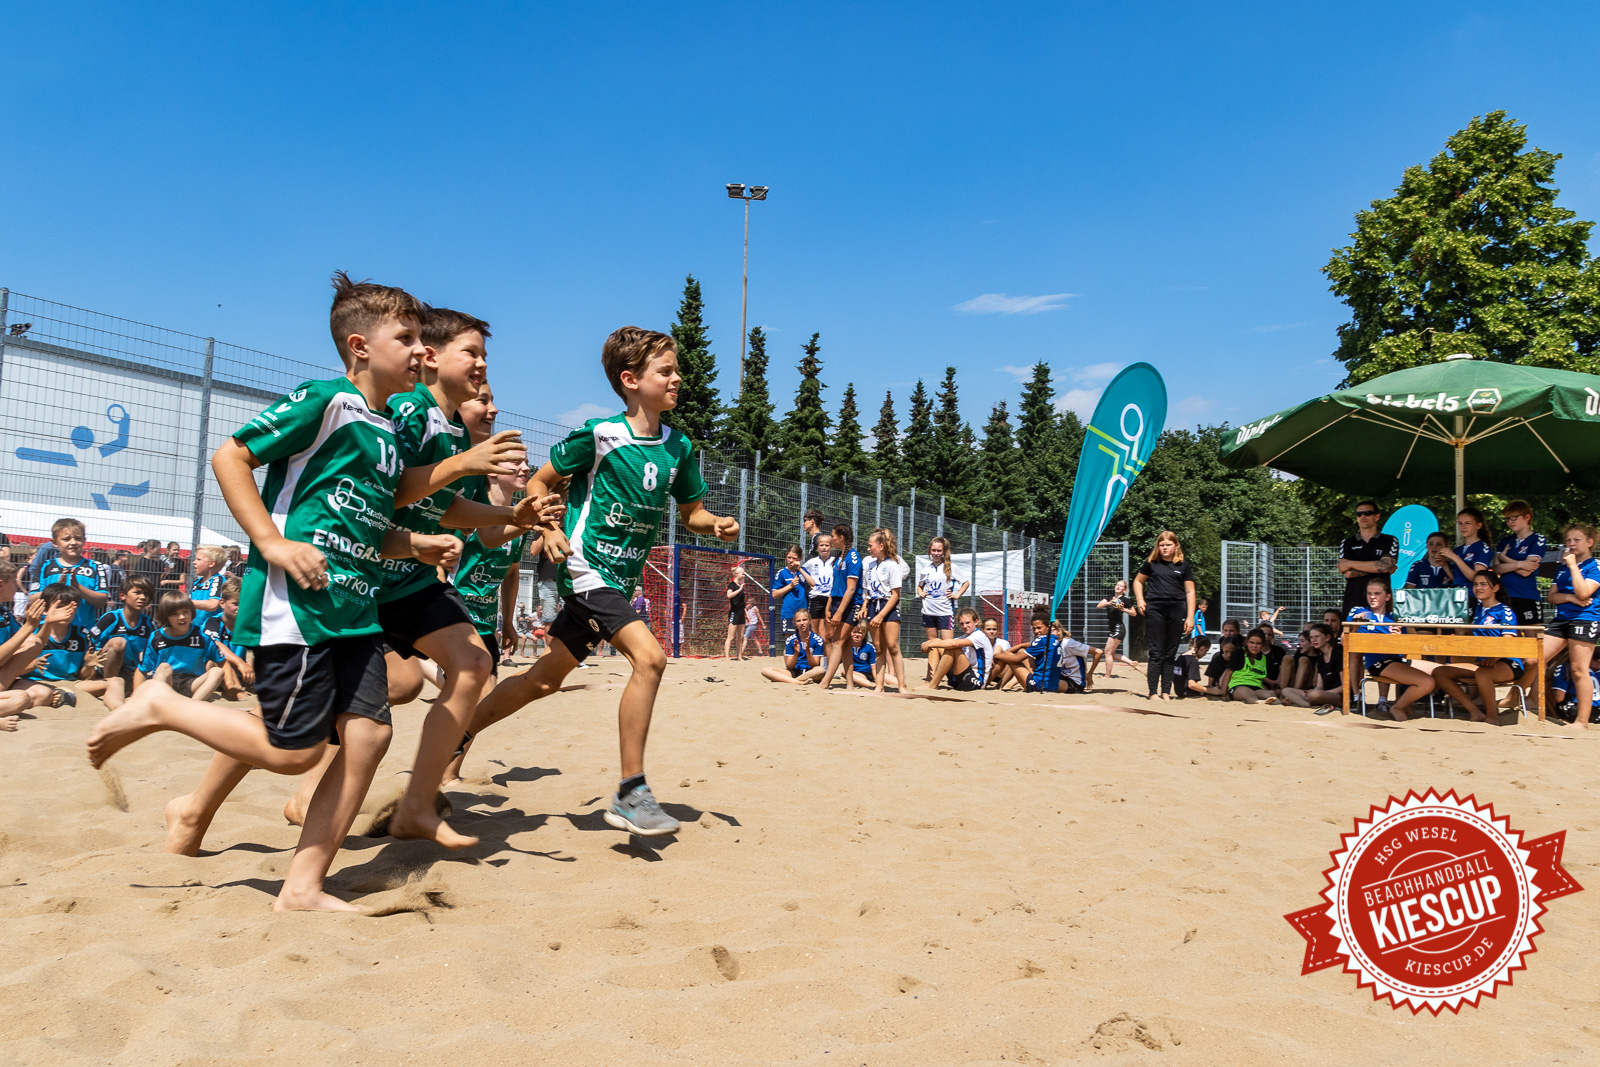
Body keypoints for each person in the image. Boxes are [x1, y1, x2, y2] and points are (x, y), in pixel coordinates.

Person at [88, 272, 470, 910]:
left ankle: (301, 888)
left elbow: (359, 528)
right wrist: (270, 542)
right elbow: (230, 457)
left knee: (371, 737)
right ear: (359, 346)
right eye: (405, 338)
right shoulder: (324, 401)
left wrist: (412, 545)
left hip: (354, 609)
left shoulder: (383, 433)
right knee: (293, 756)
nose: (419, 351)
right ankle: (163, 706)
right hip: (296, 606)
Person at [461, 325, 739, 837]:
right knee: (650, 659)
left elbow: (692, 513)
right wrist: (547, 528)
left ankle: (460, 732)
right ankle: (631, 790)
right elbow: (540, 481)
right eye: (667, 371)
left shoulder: (678, 446)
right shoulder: (600, 434)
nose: (678, 378)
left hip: (619, 579)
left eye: (677, 370)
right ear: (630, 380)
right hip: (586, 568)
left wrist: (715, 523)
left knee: (546, 678)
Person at [1431, 570, 1522, 723]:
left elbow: (1508, 642)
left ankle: (1492, 718)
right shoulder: (1478, 610)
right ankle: (1474, 712)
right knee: (1440, 672)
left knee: (1483, 674)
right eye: (1475, 584)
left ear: (1495, 588)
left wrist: (1493, 658)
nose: (1478, 588)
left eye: (1483, 584)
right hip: (1482, 663)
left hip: (1507, 662)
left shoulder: (1504, 611)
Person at [1346, 576, 1436, 721]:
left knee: (1441, 671)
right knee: (1426, 682)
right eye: (1369, 594)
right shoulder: (1359, 612)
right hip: (1379, 663)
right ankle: (1396, 706)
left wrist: (1399, 638)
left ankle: (1402, 703)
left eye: (1377, 594)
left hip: (1398, 660)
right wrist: (1355, 626)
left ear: (1387, 596)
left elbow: (1407, 650)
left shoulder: (1395, 617)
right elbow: (1346, 642)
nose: (1372, 597)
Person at [1543, 523, 1600, 728]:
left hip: (1585, 619)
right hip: (1561, 620)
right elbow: (1552, 597)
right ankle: (1533, 702)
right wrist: (1570, 598)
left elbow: (1584, 592)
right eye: (1568, 540)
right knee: (1534, 659)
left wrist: (1574, 566)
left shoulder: (1595, 566)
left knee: (1578, 669)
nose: (1571, 544)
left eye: (1576, 540)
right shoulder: (1561, 567)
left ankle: (1582, 722)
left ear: (1589, 542)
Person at [1132, 530, 1196, 701]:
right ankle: (1153, 692)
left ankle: (1166, 691)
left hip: (1177, 610)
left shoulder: (1183, 565)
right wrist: (1140, 599)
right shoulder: (1151, 563)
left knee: (1170, 653)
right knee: (1156, 651)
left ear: (1176, 546)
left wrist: (1190, 617)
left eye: (1168, 545)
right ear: (1157, 547)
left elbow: (1190, 592)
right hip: (1155, 609)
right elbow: (1138, 581)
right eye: (1161, 545)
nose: (1165, 548)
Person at [138, 592, 226, 702]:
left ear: (192, 612)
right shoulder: (156, 637)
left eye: (186, 612)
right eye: (175, 614)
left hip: (192, 683)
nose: (182, 617)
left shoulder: (202, 636)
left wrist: (232, 686)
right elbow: (142, 669)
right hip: (165, 684)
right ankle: (159, 704)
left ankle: (192, 706)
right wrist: (136, 697)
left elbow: (221, 661)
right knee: (164, 667)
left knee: (217, 671)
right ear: (166, 616)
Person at [87, 575, 155, 709]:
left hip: (133, 673)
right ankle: (109, 684)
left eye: (146, 594)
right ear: (123, 596)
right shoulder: (111, 618)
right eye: (137, 592)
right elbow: (89, 641)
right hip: (106, 671)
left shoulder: (148, 624)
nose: (142, 597)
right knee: (118, 643)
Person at [36, 518, 110, 630]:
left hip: (82, 631)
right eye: (66, 539)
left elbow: (102, 600)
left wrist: (78, 588)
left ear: (84, 540)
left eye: (78, 538)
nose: (73, 543)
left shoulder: (96, 567)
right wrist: (56, 587)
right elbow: (33, 599)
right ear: (55, 542)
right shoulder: (45, 566)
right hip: (48, 631)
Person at [816, 524, 864, 690]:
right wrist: (829, 607)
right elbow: (836, 585)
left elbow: (851, 589)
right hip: (837, 601)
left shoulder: (853, 557)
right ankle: (850, 683)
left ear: (841, 537)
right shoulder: (839, 558)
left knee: (837, 642)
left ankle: (825, 682)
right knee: (843, 644)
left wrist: (840, 612)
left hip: (850, 605)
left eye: (833, 536)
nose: (831, 539)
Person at [863, 528, 908, 693]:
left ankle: (901, 685)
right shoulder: (870, 565)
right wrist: (864, 607)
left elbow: (896, 594)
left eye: (870, 545)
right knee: (878, 647)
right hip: (873, 606)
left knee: (893, 646)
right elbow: (868, 591)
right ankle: (879, 685)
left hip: (888, 606)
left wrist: (881, 615)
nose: (868, 549)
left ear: (881, 546)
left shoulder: (893, 565)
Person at [1337, 501, 1399, 616]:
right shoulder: (1347, 542)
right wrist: (1378, 567)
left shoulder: (1389, 540)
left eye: (1367, 513)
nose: (1363, 516)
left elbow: (1385, 566)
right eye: (1359, 514)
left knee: (1381, 632)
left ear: (1377, 516)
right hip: (1354, 599)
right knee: (1352, 633)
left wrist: (1350, 563)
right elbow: (1349, 573)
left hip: (1380, 600)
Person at [917, 536, 967, 678]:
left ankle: (953, 674)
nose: (936, 553)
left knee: (947, 645)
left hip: (945, 611)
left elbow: (965, 583)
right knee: (932, 644)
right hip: (928, 610)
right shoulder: (926, 569)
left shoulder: (951, 567)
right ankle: (931, 676)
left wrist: (956, 595)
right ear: (930, 551)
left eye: (939, 550)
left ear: (944, 552)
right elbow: (919, 586)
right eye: (933, 550)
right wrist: (921, 593)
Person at [1494, 500, 1548, 626]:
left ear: (1527, 517)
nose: (1510, 522)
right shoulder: (1506, 540)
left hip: (1527, 596)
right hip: (1505, 596)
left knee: (1532, 639)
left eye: (1514, 518)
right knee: (1509, 637)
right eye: (1507, 519)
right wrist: (1519, 564)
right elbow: (1496, 568)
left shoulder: (1537, 538)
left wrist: (1504, 558)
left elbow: (1526, 571)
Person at [203, 578, 255, 701]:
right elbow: (216, 645)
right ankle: (234, 690)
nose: (240, 608)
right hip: (219, 668)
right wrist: (239, 662)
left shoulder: (246, 625)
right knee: (219, 662)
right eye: (235, 604)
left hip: (240, 670)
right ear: (222, 603)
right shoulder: (213, 622)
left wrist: (251, 664)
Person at [921, 606, 993, 692]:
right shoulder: (964, 637)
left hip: (975, 682)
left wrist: (930, 644)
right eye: (962, 624)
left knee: (952, 647)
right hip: (961, 677)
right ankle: (929, 681)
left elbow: (954, 644)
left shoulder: (979, 636)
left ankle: (933, 685)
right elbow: (947, 643)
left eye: (967, 623)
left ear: (976, 621)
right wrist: (930, 643)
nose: (965, 626)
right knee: (938, 643)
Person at [1280, 623, 1342, 712]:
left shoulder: (1337, 653)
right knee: (1286, 691)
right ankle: (1307, 705)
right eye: (1311, 637)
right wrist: (1312, 691)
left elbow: (1345, 686)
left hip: (1336, 695)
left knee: (1315, 695)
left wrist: (1321, 693)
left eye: (1317, 637)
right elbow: (1320, 686)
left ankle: (1304, 702)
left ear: (1327, 637)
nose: (1313, 640)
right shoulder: (1321, 657)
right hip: (1321, 693)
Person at [762, 607, 825, 684]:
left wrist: (808, 651)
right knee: (765, 670)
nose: (802, 623)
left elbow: (815, 664)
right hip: (794, 672)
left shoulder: (818, 640)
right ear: (795, 623)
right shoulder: (791, 640)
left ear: (810, 621)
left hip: (811, 672)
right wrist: (796, 653)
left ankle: (791, 680)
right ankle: (798, 682)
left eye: (804, 620)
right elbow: (789, 666)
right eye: (798, 621)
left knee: (821, 670)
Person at [1441, 507, 1494, 588]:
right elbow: (1457, 580)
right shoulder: (1458, 550)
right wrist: (1444, 564)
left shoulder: (1482, 548)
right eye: (1460, 523)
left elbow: (1477, 579)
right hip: (1457, 593)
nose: (1463, 527)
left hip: (1472, 594)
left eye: (1468, 523)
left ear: (1478, 525)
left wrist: (1456, 558)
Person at [1222, 628, 1277, 704]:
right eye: (1251, 642)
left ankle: (1280, 703)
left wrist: (1271, 683)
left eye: (1258, 643)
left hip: (1256, 687)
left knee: (1270, 694)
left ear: (1263, 644)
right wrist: (1223, 693)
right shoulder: (1239, 653)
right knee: (1247, 693)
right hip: (1238, 686)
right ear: (1246, 642)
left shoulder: (1263, 658)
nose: (1254, 646)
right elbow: (1228, 673)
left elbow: (1258, 674)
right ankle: (1258, 702)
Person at [1096, 579, 1136, 678]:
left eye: (1121, 586)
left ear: (1124, 590)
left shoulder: (1125, 600)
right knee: (1111, 653)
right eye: (1117, 585)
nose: (1118, 587)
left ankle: (1107, 676)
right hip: (1114, 627)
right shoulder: (1109, 598)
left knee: (1107, 652)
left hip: (1118, 627)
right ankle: (1132, 663)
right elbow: (1099, 606)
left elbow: (1134, 613)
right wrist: (1109, 603)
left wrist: (1123, 609)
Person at [772, 545, 811, 639]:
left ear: (800, 559)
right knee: (790, 641)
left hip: (803, 612)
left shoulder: (803, 571)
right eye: (789, 557)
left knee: (805, 639)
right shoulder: (782, 573)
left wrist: (800, 569)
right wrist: (790, 586)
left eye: (794, 558)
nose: (791, 560)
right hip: (789, 612)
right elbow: (774, 594)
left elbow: (812, 583)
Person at [188, 545, 229, 624]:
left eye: (198, 559)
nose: (194, 562)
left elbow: (213, 605)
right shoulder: (197, 582)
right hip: (197, 628)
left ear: (211, 563)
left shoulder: (218, 580)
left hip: (212, 629)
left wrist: (185, 602)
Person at [1550, 661, 1600, 726]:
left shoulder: (1566, 667)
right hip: (1598, 714)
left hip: (1574, 711)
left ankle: (1551, 714)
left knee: (1547, 685)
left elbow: (1559, 697)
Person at [805, 534, 834, 626]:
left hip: (830, 598)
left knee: (829, 630)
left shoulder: (836, 561)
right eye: (821, 545)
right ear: (817, 547)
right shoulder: (811, 562)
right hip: (815, 598)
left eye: (827, 545)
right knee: (814, 628)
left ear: (831, 547)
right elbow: (801, 573)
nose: (824, 548)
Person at [724, 563, 750, 661]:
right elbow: (729, 595)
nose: (743, 576)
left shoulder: (741, 585)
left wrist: (746, 614)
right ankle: (727, 657)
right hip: (734, 612)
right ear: (736, 574)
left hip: (741, 613)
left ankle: (739, 657)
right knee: (730, 637)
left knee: (741, 637)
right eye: (742, 574)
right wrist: (739, 589)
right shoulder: (733, 585)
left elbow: (742, 603)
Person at [1172, 634, 1210, 699]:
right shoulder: (1193, 661)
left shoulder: (1180, 658)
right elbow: (1192, 685)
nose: (1205, 654)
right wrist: (1210, 691)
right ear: (1202, 648)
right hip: (1188, 693)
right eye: (1206, 651)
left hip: (1179, 691)